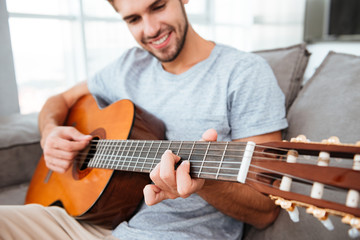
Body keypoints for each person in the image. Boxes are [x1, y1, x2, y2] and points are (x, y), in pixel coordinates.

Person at [0, 0, 288, 239]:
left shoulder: (244, 73)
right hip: (94, 225)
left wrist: (204, 181)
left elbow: (265, 210)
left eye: (158, 6)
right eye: (133, 19)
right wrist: (50, 132)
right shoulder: (129, 66)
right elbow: (59, 100)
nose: (151, 29)